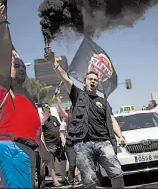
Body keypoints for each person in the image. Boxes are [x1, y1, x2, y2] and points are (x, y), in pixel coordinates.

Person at [44, 50, 127, 188]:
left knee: (117, 172)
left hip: (103, 142)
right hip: (83, 144)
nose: (93, 81)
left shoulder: (104, 102)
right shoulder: (77, 95)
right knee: (89, 180)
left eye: (95, 80)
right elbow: (65, 78)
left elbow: (112, 120)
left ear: (98, 83)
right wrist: (54, 63)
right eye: (90, 79)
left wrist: (121, 136)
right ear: (84, 82)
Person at [0, 2, 41, 188]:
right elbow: (5, 53)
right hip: (11, 146)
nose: (21, 68)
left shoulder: (25, 94)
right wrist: (3, 21)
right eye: (16, 65)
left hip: (27, 149)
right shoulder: (3, 82)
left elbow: (34, 128)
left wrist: (43, 152)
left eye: (23, 65)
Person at [55, 87, 81, 186]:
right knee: (72, 164)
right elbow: (60, 107)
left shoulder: (81, 118)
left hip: (80, 143)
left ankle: (81, 180)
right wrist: (57, 96)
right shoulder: (68, 118)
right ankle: (71, 182)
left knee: (82, 163)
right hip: (70, 145)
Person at [40, 104, 67, 187]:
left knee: (63, 160)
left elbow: (60, 129)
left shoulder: (54, 118)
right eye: (45, 107)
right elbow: (41, 135)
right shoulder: (42, 121)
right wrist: (44, 146)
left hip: (59, 143)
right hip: (49, 145)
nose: (47, 108)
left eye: (48, 107)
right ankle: (55, 181)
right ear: (43, 110)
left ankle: (63, 179)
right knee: (50, 163)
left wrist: (63, 140)